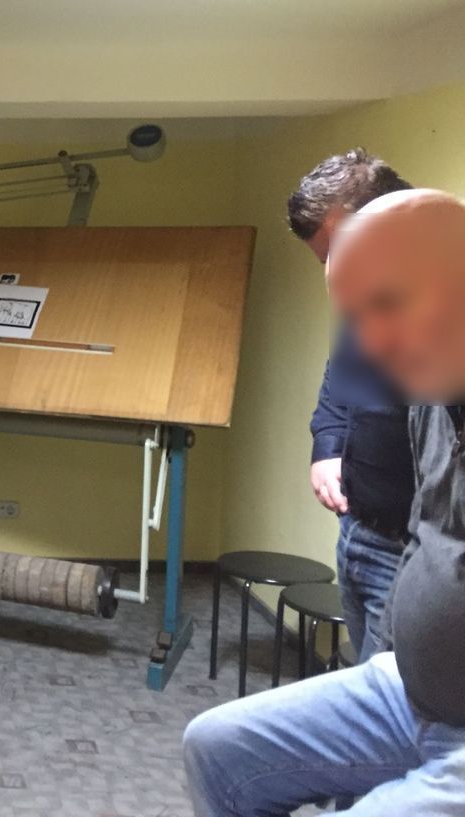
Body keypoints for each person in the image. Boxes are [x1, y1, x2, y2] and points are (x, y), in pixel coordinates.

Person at [183, 189, 465, 816]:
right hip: (409, 691)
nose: (373, 345)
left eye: (389, 304)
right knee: (215, 747)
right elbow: (426, 531)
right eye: (356, 318)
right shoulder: (430, 396)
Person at [287, 149, 414, 661]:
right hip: (357, 530)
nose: (335, 274)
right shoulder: (366, 298)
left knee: (395, 700)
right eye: (325, 261)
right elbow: (340, 376)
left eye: (340, 252)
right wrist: (328, 445)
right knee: (365, 683)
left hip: (415, 555)